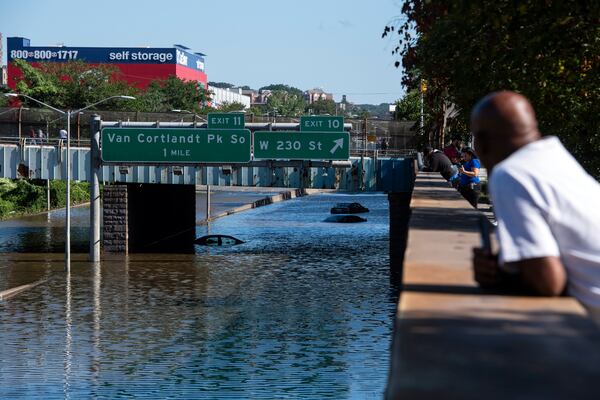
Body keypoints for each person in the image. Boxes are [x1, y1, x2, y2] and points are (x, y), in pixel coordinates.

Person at [471, 91, 600, 325]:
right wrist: (505, 266)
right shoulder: (556, 158)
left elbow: (547, 282)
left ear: (481, 142)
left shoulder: (510, 173)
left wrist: (502, 279)